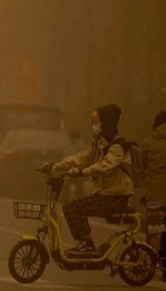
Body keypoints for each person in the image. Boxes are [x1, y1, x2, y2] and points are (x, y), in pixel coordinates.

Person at [50, 103, 134, 254]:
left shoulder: (118, 145)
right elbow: (81, 157)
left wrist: (83, 171)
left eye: (97, 122)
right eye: (92, 123)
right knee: (70, 206)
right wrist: (57, 165)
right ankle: (84, 242)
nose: (94, 126)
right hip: (104, 194)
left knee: (74, 207)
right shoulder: (99, 144)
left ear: (106, 122)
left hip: (116, 196)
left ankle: (87, 243)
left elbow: (106, 166)